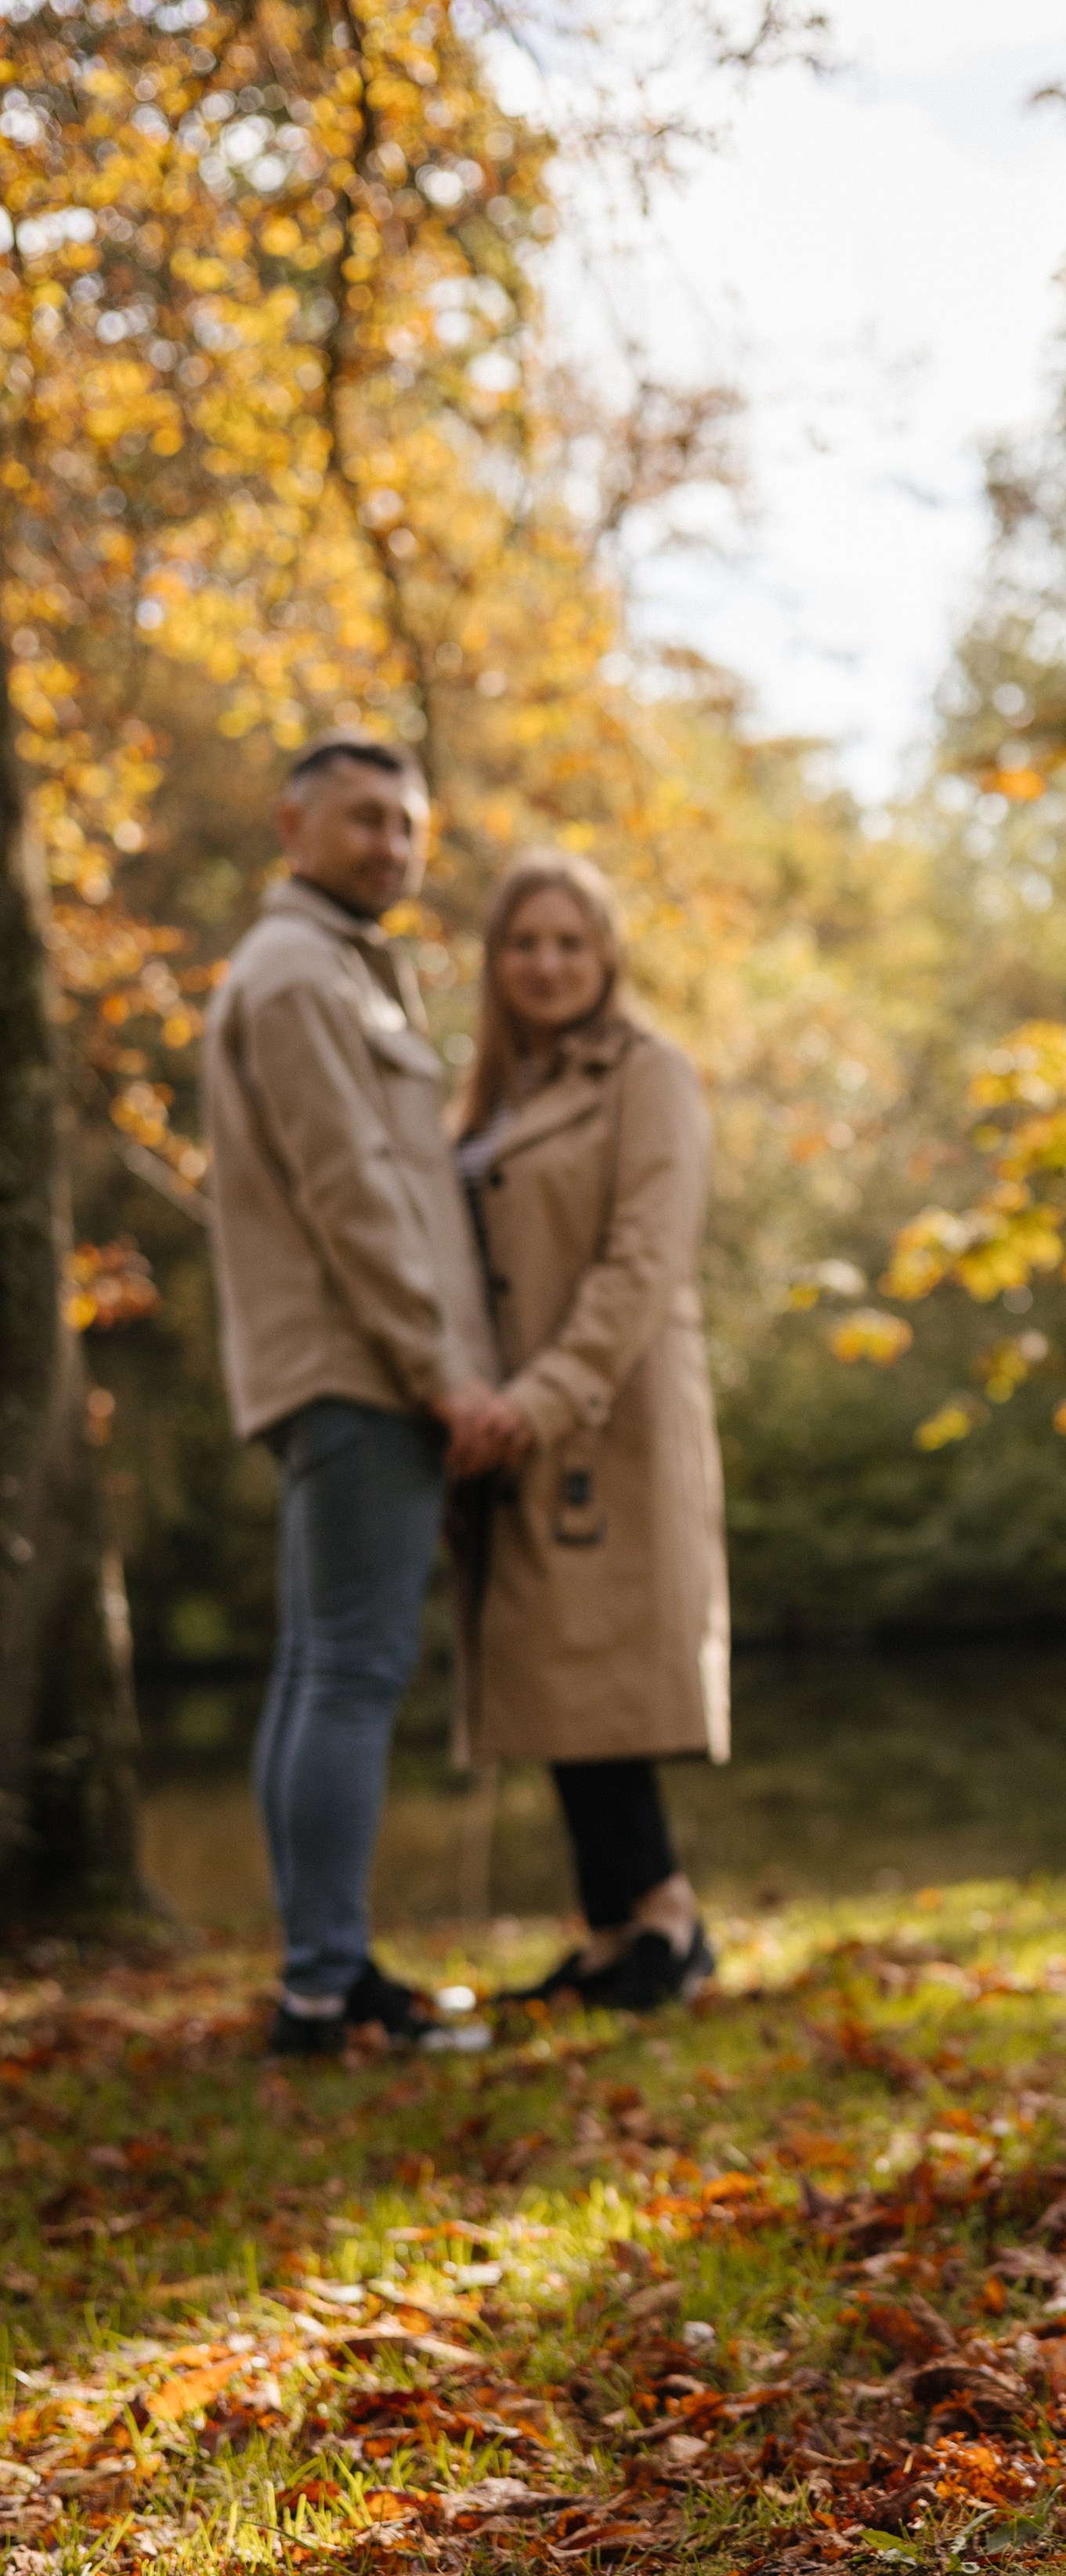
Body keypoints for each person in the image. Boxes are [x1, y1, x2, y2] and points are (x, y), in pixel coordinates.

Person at [204, 734, 512, 2057]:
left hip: (343, 1366)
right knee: (350, 1671)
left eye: (406, 824)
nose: (391, 845)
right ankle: (325, 1987)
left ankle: (321, 1977)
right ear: (292, 826)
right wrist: (443, 1374)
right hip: (359, 1367)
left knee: (317, 1668)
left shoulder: (331, 969)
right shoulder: (296, 976)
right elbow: (352, 1194)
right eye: (364, 819)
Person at [450, 851, 728, 2012]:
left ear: (606, 955)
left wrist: (541, 1399)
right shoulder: (491, 1093)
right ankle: (615, 1930)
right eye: (525, 943)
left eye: (570, 941)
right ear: (496, 961)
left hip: (603, 1417)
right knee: (555, 1671)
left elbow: (641, 1262)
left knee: (596, 1667)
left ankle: (667, 1919)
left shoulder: (648, 1074)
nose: (547, 963)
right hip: (507, 1420)